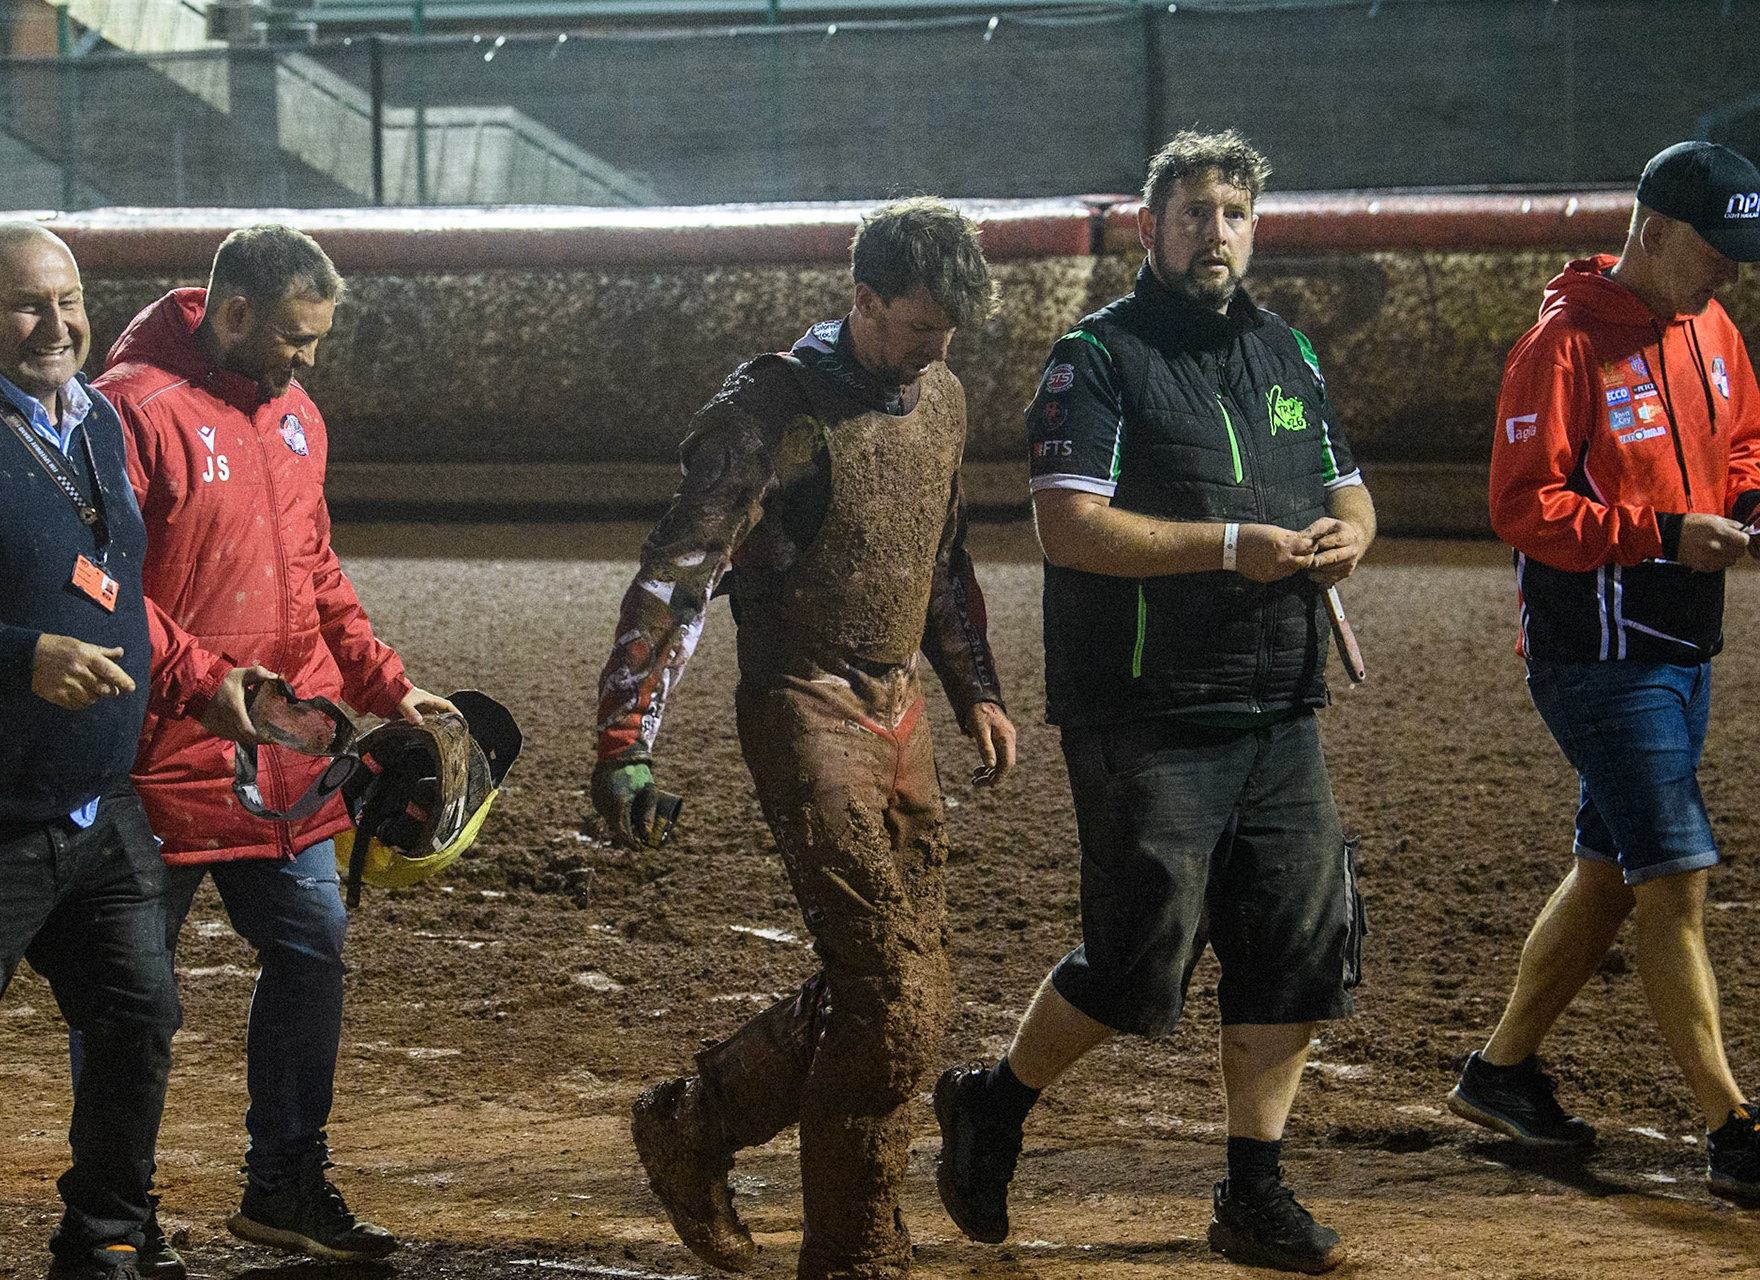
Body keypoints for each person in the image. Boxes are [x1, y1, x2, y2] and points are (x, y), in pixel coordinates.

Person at [932, 130, 1375, 1275]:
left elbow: (1353, 495)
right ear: (1151, 227)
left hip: (1280, 704)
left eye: (1234, 210)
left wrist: (1343, 539)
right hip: (1144, 707)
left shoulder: (1288, 353)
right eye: (1193, 211)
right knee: (1136, 963)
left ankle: (1253, 1191)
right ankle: (993, 1101)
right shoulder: (1098, 357)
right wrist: (1234, 546)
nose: (1215, 229)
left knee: (1293, 944)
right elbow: (1066, 524)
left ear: (1255, 227)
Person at [591, 197, 1016, 1280]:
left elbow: (941, 555)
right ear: (862, 299)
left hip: (902, 706)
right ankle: (854, 1247)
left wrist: (977, 689)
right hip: (802, 703)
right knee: (897, 993)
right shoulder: (770, 412)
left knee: (894, 992)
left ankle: (693, 1125)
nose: (933, 353)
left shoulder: (942, 398)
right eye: (918, 328)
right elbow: (680, 576)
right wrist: (626, 738)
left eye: (947, 335)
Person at [0, 222, 261, 1280]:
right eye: (27, 304)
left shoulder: (97, 425)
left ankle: (104, 1230)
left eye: (68, 299)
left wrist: (201, 683)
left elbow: (112, 591)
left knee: (140, 1014)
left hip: (91, 807)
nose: (56, 323)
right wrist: (17, 654)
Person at [83, 224, 458, 1263]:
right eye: (295, 337)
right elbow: (104, 593)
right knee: (130, 996)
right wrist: (206, 686)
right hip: (159, 758)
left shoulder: (297, 414)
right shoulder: (127, 411)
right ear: (234, 312)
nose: (308, 358)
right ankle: (116, 1217)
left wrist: (388, 683)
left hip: (286, 756)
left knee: (313, 954)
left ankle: (284, 1184)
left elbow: (316, 570)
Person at [1449, 140, 1760, 1199]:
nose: (1732, 273)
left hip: (1680, 645)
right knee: (1674, 877)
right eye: (1718, 251)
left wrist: (1749, 508)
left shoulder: (1711, 327)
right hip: (1599, 654)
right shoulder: (1562, 345)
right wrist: (1667, 534)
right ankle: (1733, 1124)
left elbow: (1746, 444)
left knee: (1607, 872)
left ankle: (1499, 1071)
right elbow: (1522, 506)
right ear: (1656, 231)